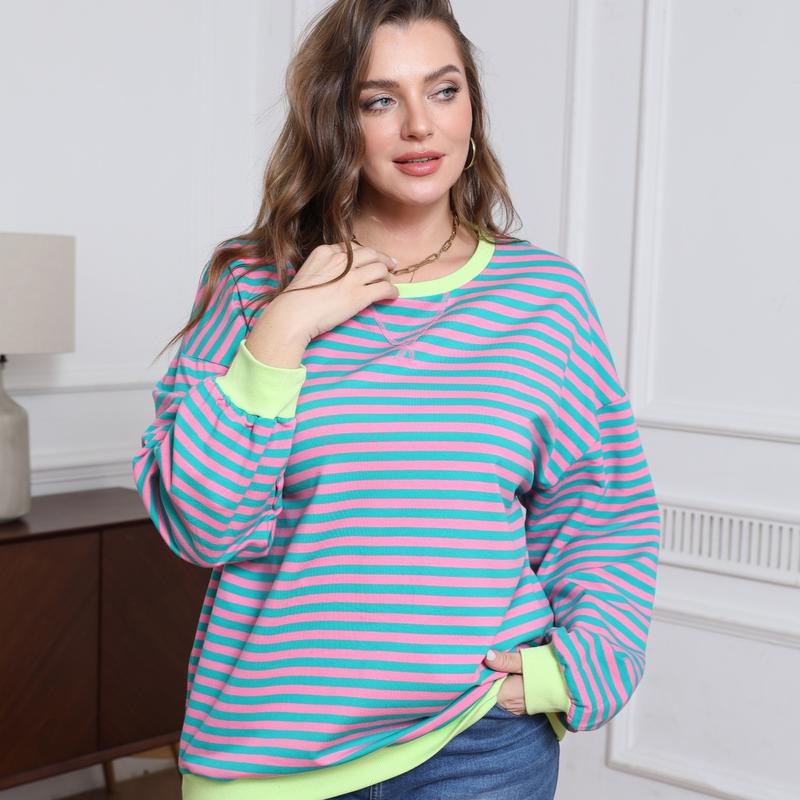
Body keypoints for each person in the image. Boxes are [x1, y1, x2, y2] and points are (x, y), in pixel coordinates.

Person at [131, 1, 662, 798]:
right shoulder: (253, 284)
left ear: (471, 106)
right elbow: (206, 525)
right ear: (335, 119)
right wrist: (282, 332)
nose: (420, 125)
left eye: (443, 91)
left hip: (480, 746)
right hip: (268, 758)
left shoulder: (543, 298)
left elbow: (603, 508)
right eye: (380, 100)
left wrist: (579, 668)